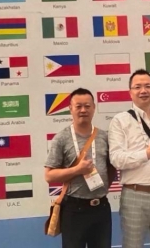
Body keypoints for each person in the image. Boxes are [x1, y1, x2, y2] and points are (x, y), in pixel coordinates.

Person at [108, 69, 150, 248]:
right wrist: (146, 154)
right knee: (132, 245)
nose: (143, 91)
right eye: (137, 87)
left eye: (148, 86)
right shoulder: (120, 120)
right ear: (130, 92)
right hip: (135, 194)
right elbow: (116, 159)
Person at [45, 88, 114, 248]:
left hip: (101, 208)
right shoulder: (61, 138)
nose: (83, 110)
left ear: (94, 108)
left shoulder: (104, 136)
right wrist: (77, 170)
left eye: (87, 106)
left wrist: (102, 187)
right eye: (78, 106)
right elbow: (49, 176)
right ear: (70, 109)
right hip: (74, 209)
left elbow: (111, 168)